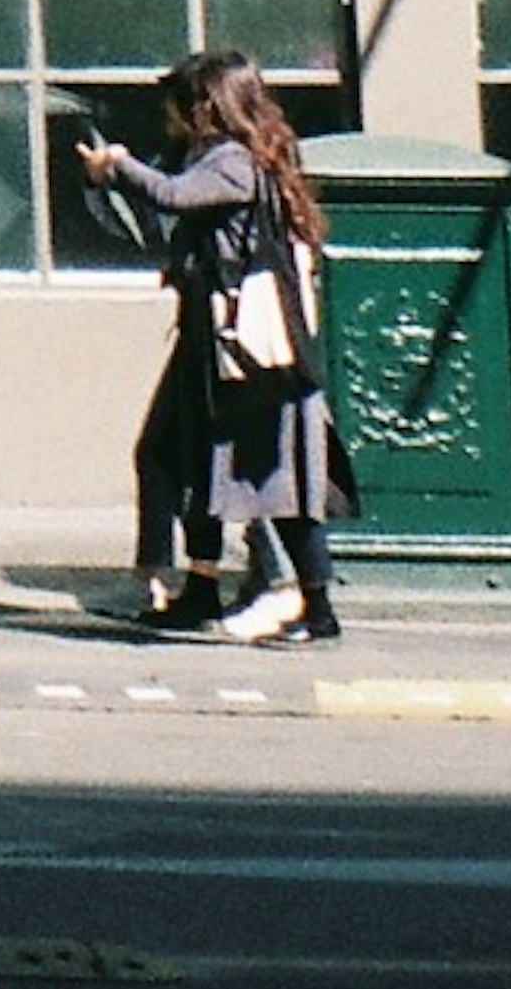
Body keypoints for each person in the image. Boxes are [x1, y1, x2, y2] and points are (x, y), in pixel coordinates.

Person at [76, 48, 343, 644]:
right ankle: (198, 588)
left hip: (249, 354)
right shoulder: (229, 157)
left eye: (176, 108)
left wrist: (116, 165)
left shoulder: (235, 163)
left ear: (207, 106)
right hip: (210, 344)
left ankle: (317, 609)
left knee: (279, 481)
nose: (168, 121)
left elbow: (172, 196)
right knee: (176, 454)